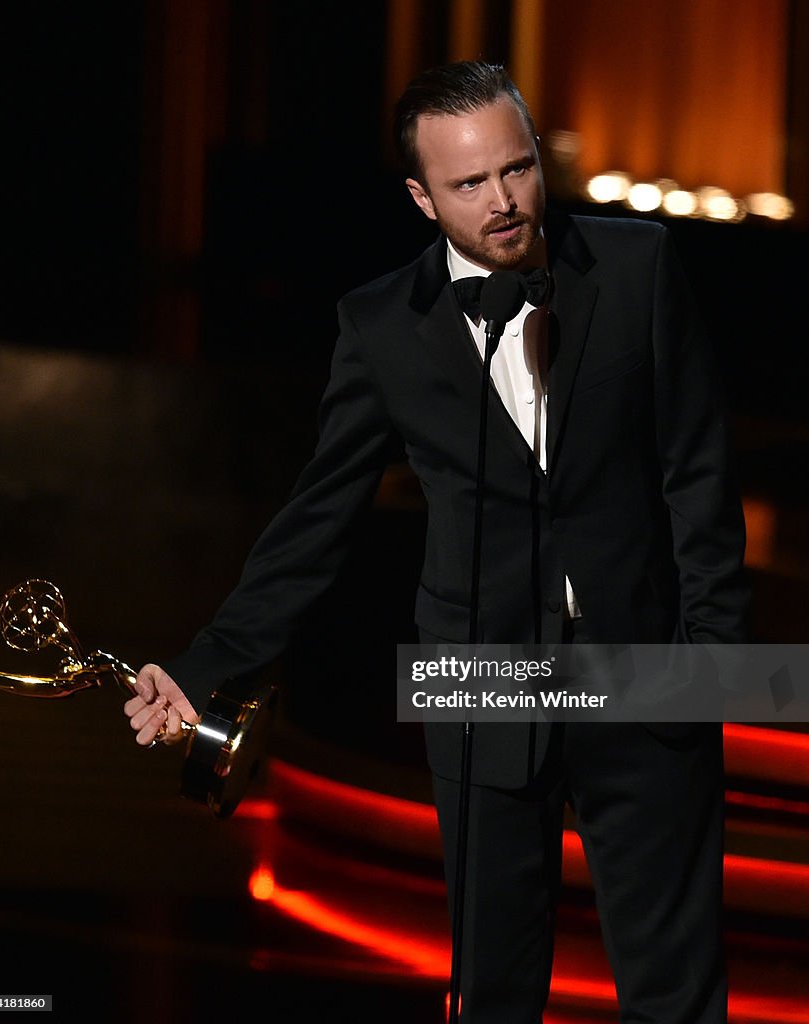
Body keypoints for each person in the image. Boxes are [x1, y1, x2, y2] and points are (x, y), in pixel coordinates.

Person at [124, 61, 749, 1022]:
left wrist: (710, 667)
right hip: (480, 684)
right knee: (492, 991)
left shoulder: (635, 266)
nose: (504, 202)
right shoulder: (381, 325)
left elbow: (698, 475)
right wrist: (212, 660)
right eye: (469, 184)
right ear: (421, 196)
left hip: (644, 669)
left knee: (677, 995)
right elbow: (318, 513)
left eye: (518, 169)